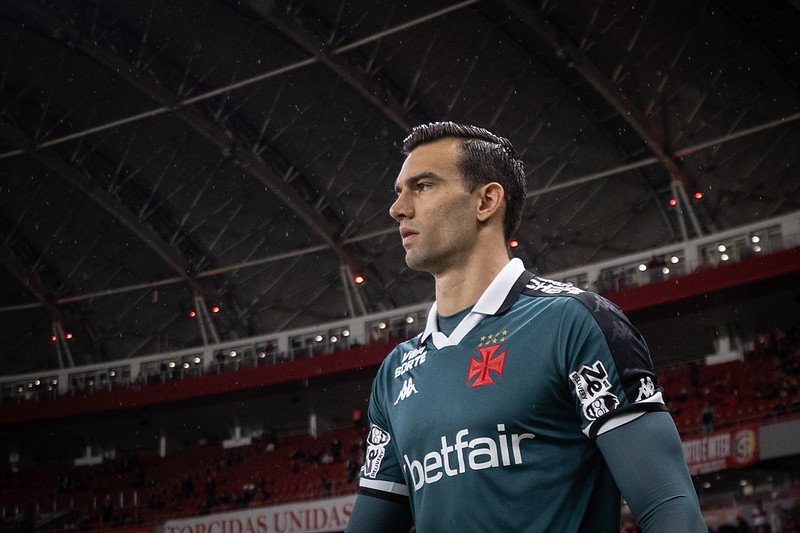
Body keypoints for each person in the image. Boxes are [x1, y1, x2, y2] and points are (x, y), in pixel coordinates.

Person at [346, 122, 705, 532]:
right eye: (399, 192)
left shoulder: (573, 323)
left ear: (486, 201)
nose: (398, 209)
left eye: (423, 186)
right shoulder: (395, 373)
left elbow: (668, 506)